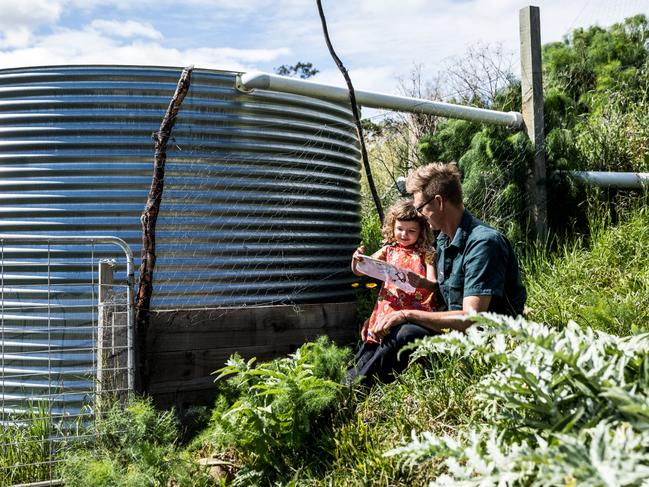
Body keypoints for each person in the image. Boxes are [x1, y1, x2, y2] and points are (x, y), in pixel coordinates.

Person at [350, 162, 526, 385]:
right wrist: (382, 318)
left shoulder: (483, 244)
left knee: (406, 333)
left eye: (421, 207)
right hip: (453, 331)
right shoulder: (443, 240)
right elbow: (437, 295)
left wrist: (406, 314)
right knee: (387, 329)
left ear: (439, 202)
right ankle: (346, 384)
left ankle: (354, 392)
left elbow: (472, 318)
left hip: (485, 342)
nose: (420, 215)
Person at [347, 199, 438, 385]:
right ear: (392, 227)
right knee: (374, 344)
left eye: (411, 231)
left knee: (392, 344)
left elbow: (434, 284)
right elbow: (361, 270)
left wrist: (420, 282)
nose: (404, 235)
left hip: (413, 310)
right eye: (400, 229)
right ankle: (353, 379)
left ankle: (371, 379)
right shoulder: (388, 250)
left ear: (421, 231)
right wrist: (356, 260)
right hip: (388, 306)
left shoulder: (426, 253)